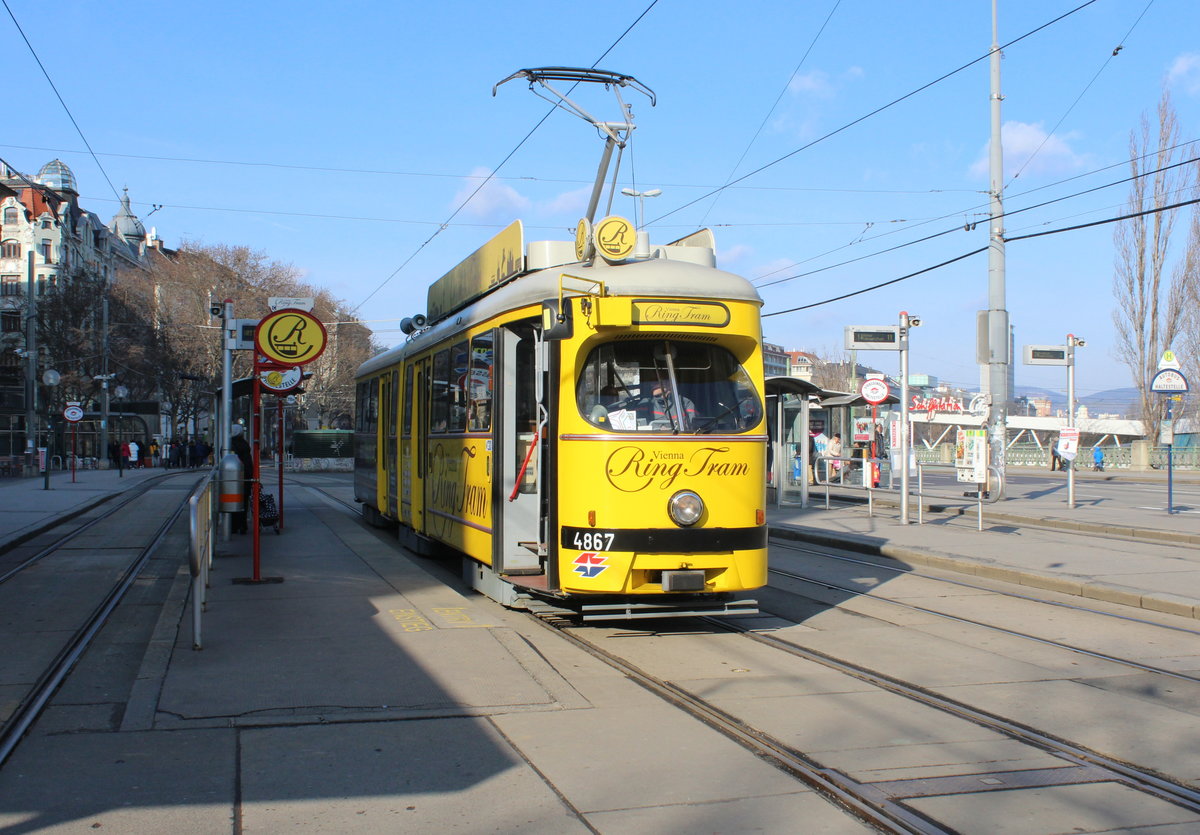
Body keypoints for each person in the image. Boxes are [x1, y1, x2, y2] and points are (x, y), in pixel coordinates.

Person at [230, 425, 254, 534]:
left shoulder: (229, 445)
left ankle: (233, 526)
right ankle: (242, 525)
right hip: (245, 477)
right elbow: (249, 463)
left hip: (232, 478)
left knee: (232, 501)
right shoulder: (245, 444)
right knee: (244, 502)